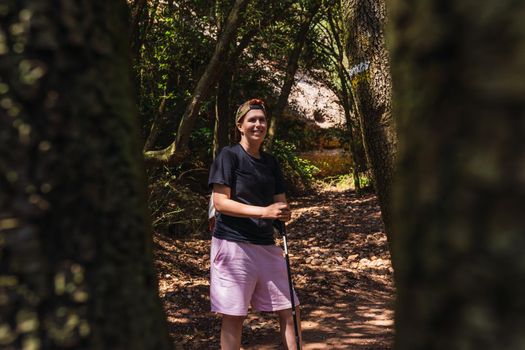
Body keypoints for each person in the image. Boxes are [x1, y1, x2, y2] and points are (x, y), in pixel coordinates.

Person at [208, 98, 302, 349]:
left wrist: (283, 213)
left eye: (262, 120)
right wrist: (265, 212)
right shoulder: (228, 156)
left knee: (289, 308)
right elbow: (221, 203)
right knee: (235, 315)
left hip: (266, 245)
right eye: (252, 120)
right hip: (232, 245)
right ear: (240, 125)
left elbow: (280, 204)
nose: (258, 124)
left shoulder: (271, 162)